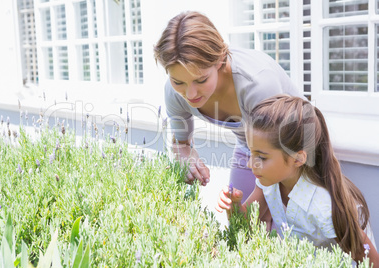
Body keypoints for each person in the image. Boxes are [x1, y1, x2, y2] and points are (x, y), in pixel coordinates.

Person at [153, 11, 304, 202]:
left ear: (219, 59)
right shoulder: (174, 92)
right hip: (250, 148)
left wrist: (252, 206)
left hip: (293, 150)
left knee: (280, 226)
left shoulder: (257, 84)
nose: (190, 94)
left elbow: (278, 154)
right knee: (239, 223)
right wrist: (185, 156)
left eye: (201, 80)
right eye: (178, 81)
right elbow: (180, 144)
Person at [216, 94, 379, 266]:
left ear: (298, 158)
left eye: (262, 157)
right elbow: (245, 225)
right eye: (251, 153)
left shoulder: (323, 207)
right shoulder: (270, 183)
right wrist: (233, 205)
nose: (250, 164)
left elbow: (371, 260)